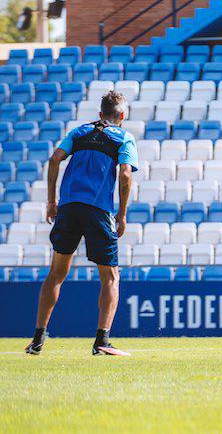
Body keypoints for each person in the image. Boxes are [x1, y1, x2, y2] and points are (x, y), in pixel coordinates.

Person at [25, 91, 138, 356]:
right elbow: (125, 174)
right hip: (98, 210)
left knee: (56, 274)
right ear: (122, 116)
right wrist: (121, 215)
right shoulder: (124, 137)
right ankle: (102, 341)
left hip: (68, 207)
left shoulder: (79, 132)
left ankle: (38, 339)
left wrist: (51, 202)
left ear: (100, 114)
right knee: (110, 277)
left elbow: (54, 159)